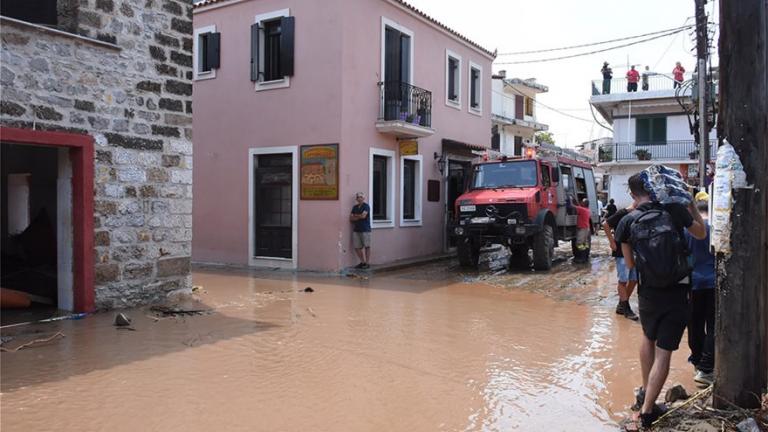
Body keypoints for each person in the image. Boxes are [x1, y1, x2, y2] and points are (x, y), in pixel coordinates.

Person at [616, 173, 707, 429]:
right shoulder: (674, 210)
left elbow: (630, 265)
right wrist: (690, 204)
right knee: (664, 351)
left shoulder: (627, 221)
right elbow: (700, 234)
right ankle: (647, 413)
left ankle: (647, 393)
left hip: (648, 292)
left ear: (633, 195)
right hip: (677, 290)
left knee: (648, 337)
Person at [686, 201, 715, 387]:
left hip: (691, 283)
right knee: (713, 325)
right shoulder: (714, 229)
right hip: (712, 282)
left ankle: (697, 362)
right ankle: (706, 368)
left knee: (694, 324)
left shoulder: (686, 230)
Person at [603, 203, 639, 320]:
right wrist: (612, 242)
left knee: (634, 279)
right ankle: (626, 309)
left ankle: (622, 304)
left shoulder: (639, 213)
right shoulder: (623, 213)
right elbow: (605, 224)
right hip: (621, 251)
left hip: (634, 251)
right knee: (623, 280)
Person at [349, 192, 371, 269]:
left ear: (363, 198)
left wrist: (355, 215)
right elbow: (351, 218)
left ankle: (367, 263)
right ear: (356, 199)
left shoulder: (366, 206)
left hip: (365, 229)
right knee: (357, 247)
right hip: (356, 229)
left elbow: (364, 216)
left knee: (367, 246)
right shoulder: (354, 207)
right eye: (358, 197)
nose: (359, 198)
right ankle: (362, 262)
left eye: (361, 197)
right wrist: (359, 216)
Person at [573, 198, 592, 263]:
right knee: (585, 243)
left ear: (584, 204)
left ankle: (582, 258)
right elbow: (578, 206)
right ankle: (586, 257)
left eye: (582, 202)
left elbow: (572, 206)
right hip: (587, 228)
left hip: (582, 229)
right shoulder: (587, 210)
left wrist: (570, 201)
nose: (581, 203)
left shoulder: (581, 209)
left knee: (579, 243)